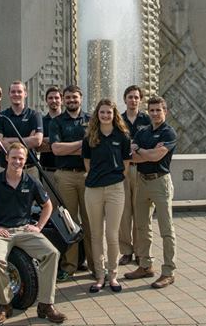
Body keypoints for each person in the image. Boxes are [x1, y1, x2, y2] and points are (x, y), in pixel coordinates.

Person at [0, 143, 66, 325]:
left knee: (52, 253)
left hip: (25, 230)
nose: (17, 161)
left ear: (25, 160)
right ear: (7, 158)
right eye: (13, 157)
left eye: (21, 158)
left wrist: (38, 227)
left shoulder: (31, 181)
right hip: (2, 232)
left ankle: (46, 304)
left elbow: (48, 206)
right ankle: (5, 304)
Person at [125, 96, 177, 289]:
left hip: (160, 182)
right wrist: (144, 152)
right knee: (141, 226)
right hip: (142, 181)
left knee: (166, 229)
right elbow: (132, 157)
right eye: (152, 110)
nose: (155, 113)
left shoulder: (169, 133)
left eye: (158, 110)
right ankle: (145, 266)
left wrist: (141, 151)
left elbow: (157, 156)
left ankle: (168, 271)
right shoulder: (143, 131)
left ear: (165, 111)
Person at [83, 99, 132, 293]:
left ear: (114, 114)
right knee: (96, 235)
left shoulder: (123, 136)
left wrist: (115, 177)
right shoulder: (89, 137)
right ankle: (100, 276)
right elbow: (87, 162)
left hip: (115, 189)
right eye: (102, 112)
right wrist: (96, 177)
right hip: (93, 189)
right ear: (97, 114)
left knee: (112, 235)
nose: (105, 116)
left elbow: (126, 162)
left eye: (109, 113)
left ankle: (113, 275)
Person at [48, 84, 92, 281]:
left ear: (81, 98)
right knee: (69, 222)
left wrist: (72, 148)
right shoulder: (56, 122)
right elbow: (56, 149)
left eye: (75, 97)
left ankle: (95, 265)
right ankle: (70, 265)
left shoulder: (91, 120)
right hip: (65, 176)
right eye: (68, 98)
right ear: (63, 100)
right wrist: (83, 145)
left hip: (87, 176)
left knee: (91, 222)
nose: (71, 101)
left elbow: (95, 147)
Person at [118, 85, 150, 266]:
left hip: (140, 169)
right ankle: (126, 251)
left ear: (140, 99)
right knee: (124, 213)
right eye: (130, 97)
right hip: (123, 170)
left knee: (140, 212)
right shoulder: (119, 120)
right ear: (125, 99)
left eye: (136, 97)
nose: (133, 100)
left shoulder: (146, 119)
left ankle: (140, 251)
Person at [0, 81, 43, 179]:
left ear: (25, 94)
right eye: (13, 92)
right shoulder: (1, 116)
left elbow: (37, 141)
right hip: (5, 168)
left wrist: (9, 140)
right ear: (9, 94)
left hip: (30, 169)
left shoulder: (34, 115)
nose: (16, 94)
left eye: (19, 92)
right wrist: (28, 139)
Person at [39, 86, 62, 174]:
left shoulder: (67, 120)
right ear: (46, 100)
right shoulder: (41, 121)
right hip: (46, 170)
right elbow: (38, 146)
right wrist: (61, 143)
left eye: (56, 98)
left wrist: (47, 141)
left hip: (64, 170)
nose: (54, 100)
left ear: (61, 100)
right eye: (50, 98)